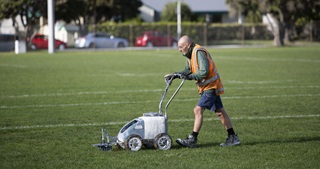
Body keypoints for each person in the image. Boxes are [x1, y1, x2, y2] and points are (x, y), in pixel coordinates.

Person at [165, 35, 240, 148]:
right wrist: (175, 75)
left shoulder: (198, 52)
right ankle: (233, 137)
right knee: (220, 112)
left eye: (181, 47)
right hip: (207, 86)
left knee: (198, 110)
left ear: (188, 45)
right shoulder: (189, 54)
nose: (179, 49)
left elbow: (203, 72)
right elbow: (187, 70)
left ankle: (192, 139)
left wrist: (189, 77)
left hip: (211, 86)